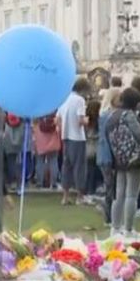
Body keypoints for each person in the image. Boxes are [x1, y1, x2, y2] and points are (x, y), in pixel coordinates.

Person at [107, 88, 140, 235]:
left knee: (119, 195)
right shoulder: (129, 115)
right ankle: (129, 229)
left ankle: (115, 227)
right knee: (132, 195)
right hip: (135, 158)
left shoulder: (112, 116)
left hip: (119, 158)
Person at [56, 78, 89, 206]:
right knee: (79, 167)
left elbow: (57, 119)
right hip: (77, 137)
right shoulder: (80, 100)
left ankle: (65, 196)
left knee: (67, 166)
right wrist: (87, 120)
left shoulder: (64, 99)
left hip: (66, 136)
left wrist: (62, 128)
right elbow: (81, 120)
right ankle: (80, 197)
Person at [97, 87, 122, 225]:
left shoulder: (104, 114)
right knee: (110, 187)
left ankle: (110, 214)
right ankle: (109, 215)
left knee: (110, 186)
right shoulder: (109, 115)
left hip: (104, 153)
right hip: (108, 154)